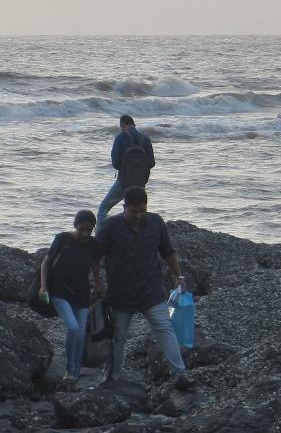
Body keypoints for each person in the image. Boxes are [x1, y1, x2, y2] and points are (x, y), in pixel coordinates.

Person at [91, 187, 191, 387]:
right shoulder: (110, 226)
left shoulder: (155, 222)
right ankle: (111, 377)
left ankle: (179, 373)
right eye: (133, 211)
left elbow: (167, 251)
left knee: (165, 328)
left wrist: (179, 275)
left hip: (151, 289)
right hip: (121, 293)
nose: (138, 215)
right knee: (118, 337)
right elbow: (94, 255)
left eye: (142, 211)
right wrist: (98, 283)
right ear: (124, 207)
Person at [39, 209, 103, 386]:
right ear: (75, 225)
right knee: (73, 328)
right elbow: (46, 262)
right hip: (59, 292)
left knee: (81, 334)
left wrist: (98, 285)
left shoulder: (92, 244)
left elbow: (95, 265)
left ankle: (75, 371)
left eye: (88, 230)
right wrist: (43, 286)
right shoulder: (63, 239)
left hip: (82, 293)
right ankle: (69, 368)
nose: (84, 233)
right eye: (81, 229)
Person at [97, 115, 156, 225]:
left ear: (122, 125)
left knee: (103, 208)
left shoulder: (120, 138)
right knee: (138, 211)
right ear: (134, 124)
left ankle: (99, 238)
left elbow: (115, 164)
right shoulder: (145, 139)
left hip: (123, 181)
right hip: (140, 183)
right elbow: (151, 163)